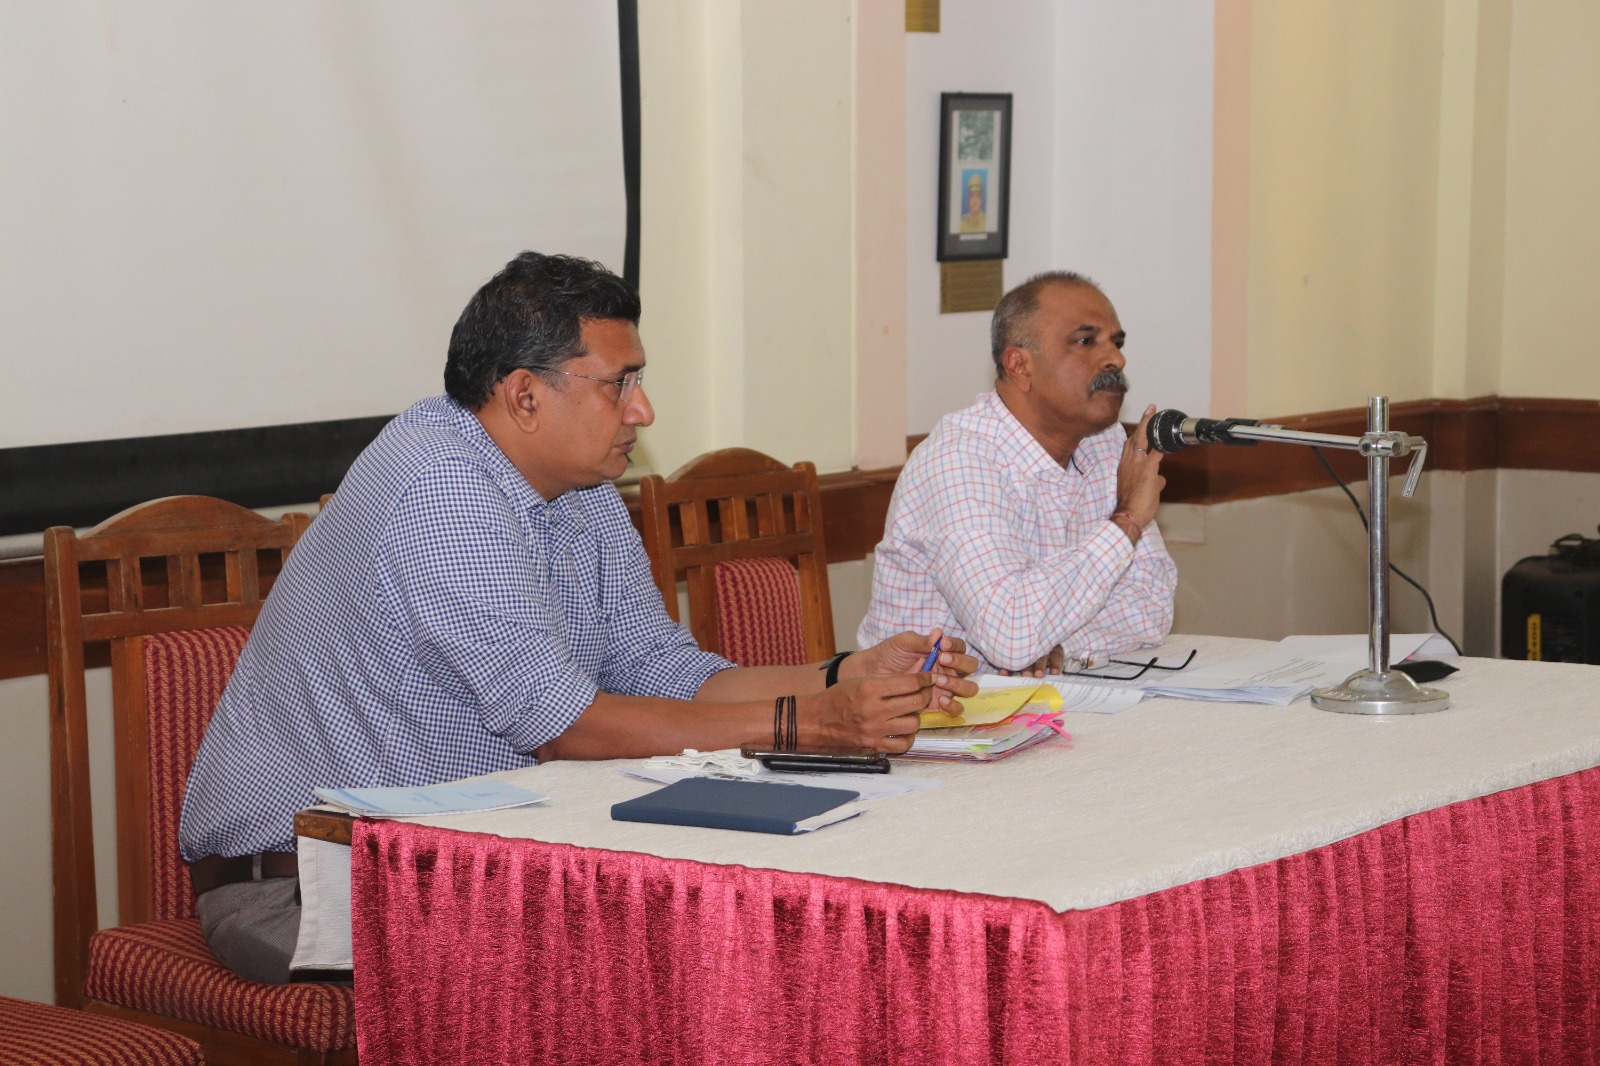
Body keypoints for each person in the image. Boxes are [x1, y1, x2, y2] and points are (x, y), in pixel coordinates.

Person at [178, 252, 976, 984]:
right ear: (525, 395)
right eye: (618, 385)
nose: (643, 411)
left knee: (745, 928)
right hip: (314, 886)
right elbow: (564, 727)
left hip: (454, 863)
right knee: (652, 968)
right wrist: (812, 724)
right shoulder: (442, 488)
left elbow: (663, 670)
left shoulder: (579, 488)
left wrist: (841, 675)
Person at [857, 270, 1177, 674]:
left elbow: (1151, 602)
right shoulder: (958, 460)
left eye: (1117, 342)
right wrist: (1126, 521)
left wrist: (1064, 646)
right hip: (928, 708)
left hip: (1044, 699)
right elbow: (1010, 636)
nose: (1116, 358)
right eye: (1086, 341)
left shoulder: (1105, 443)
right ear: (1020, 365)